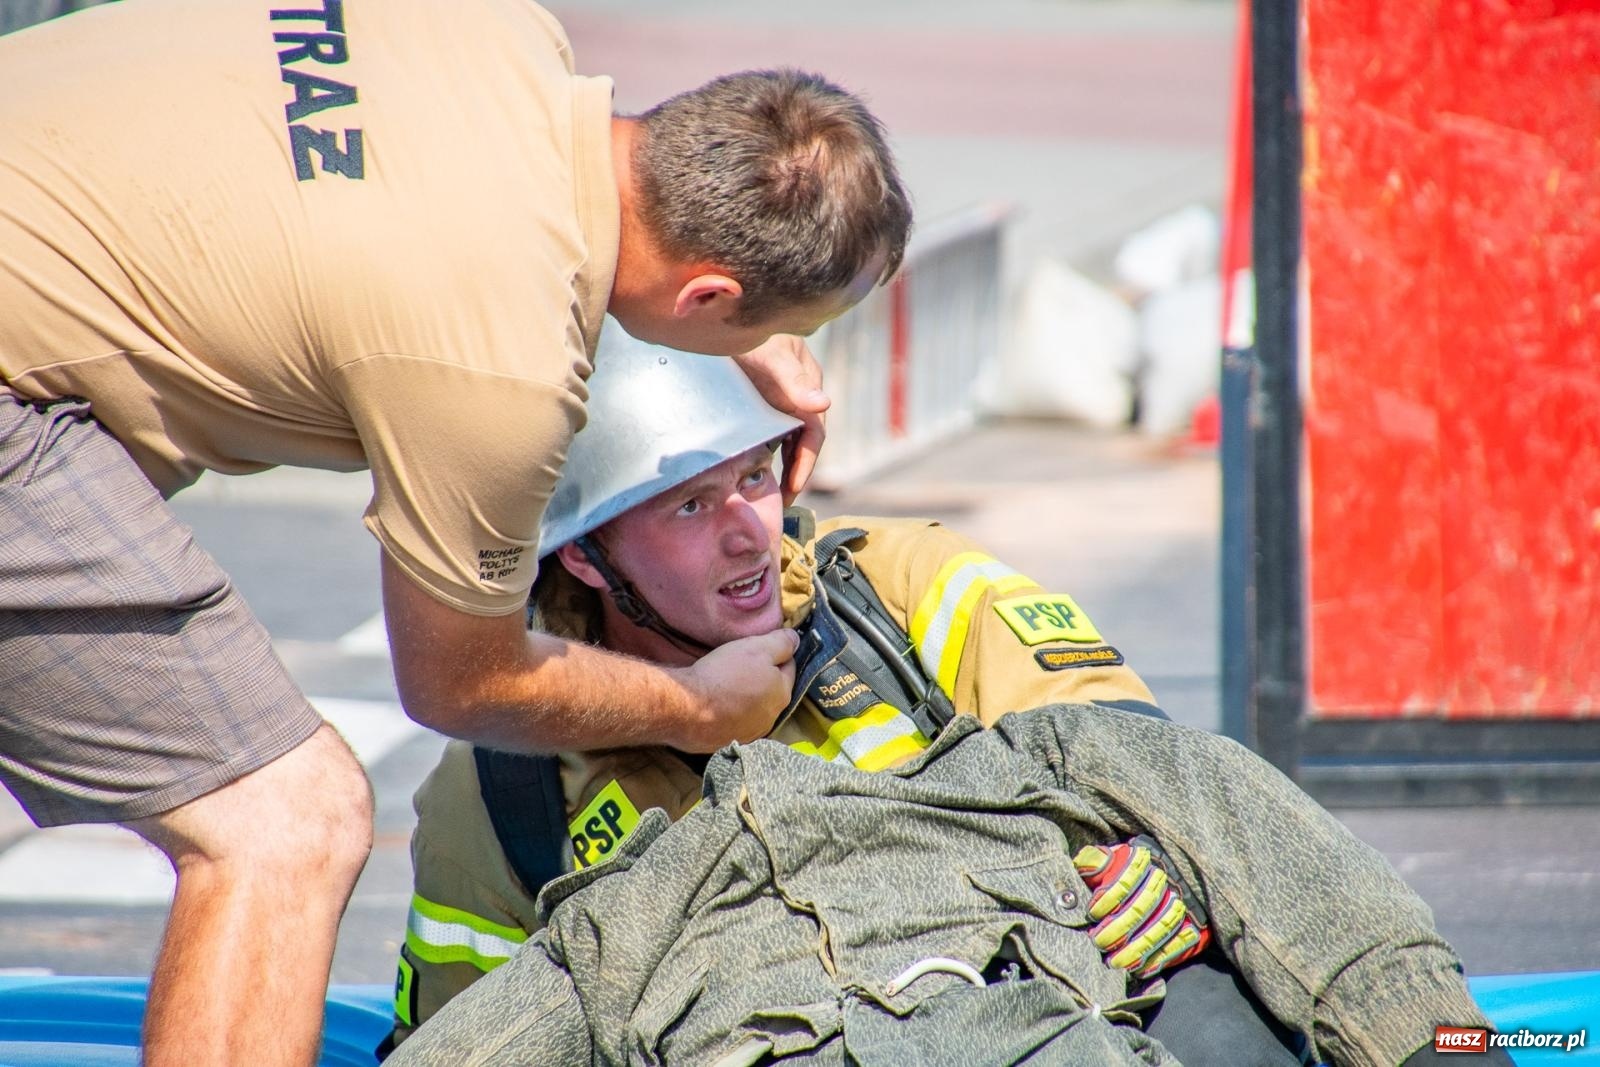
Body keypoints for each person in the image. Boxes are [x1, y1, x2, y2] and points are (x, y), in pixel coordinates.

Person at [0, 0, 911, 1062]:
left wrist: (733, 346)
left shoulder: (492, 27)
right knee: (285, 822)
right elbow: (456, 681)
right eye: (773, 329)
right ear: (709, 293)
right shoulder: (495, 378)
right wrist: (699, 708)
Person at [383, 334, 1499, 1065]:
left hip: (1071, 980)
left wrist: (1159, 871)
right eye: (685, 506)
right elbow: (482, 1027)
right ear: (584, 557)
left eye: (756, 476)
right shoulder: (502, 787)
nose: (746, 531)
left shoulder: (899, 589)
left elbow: (1132, 759)